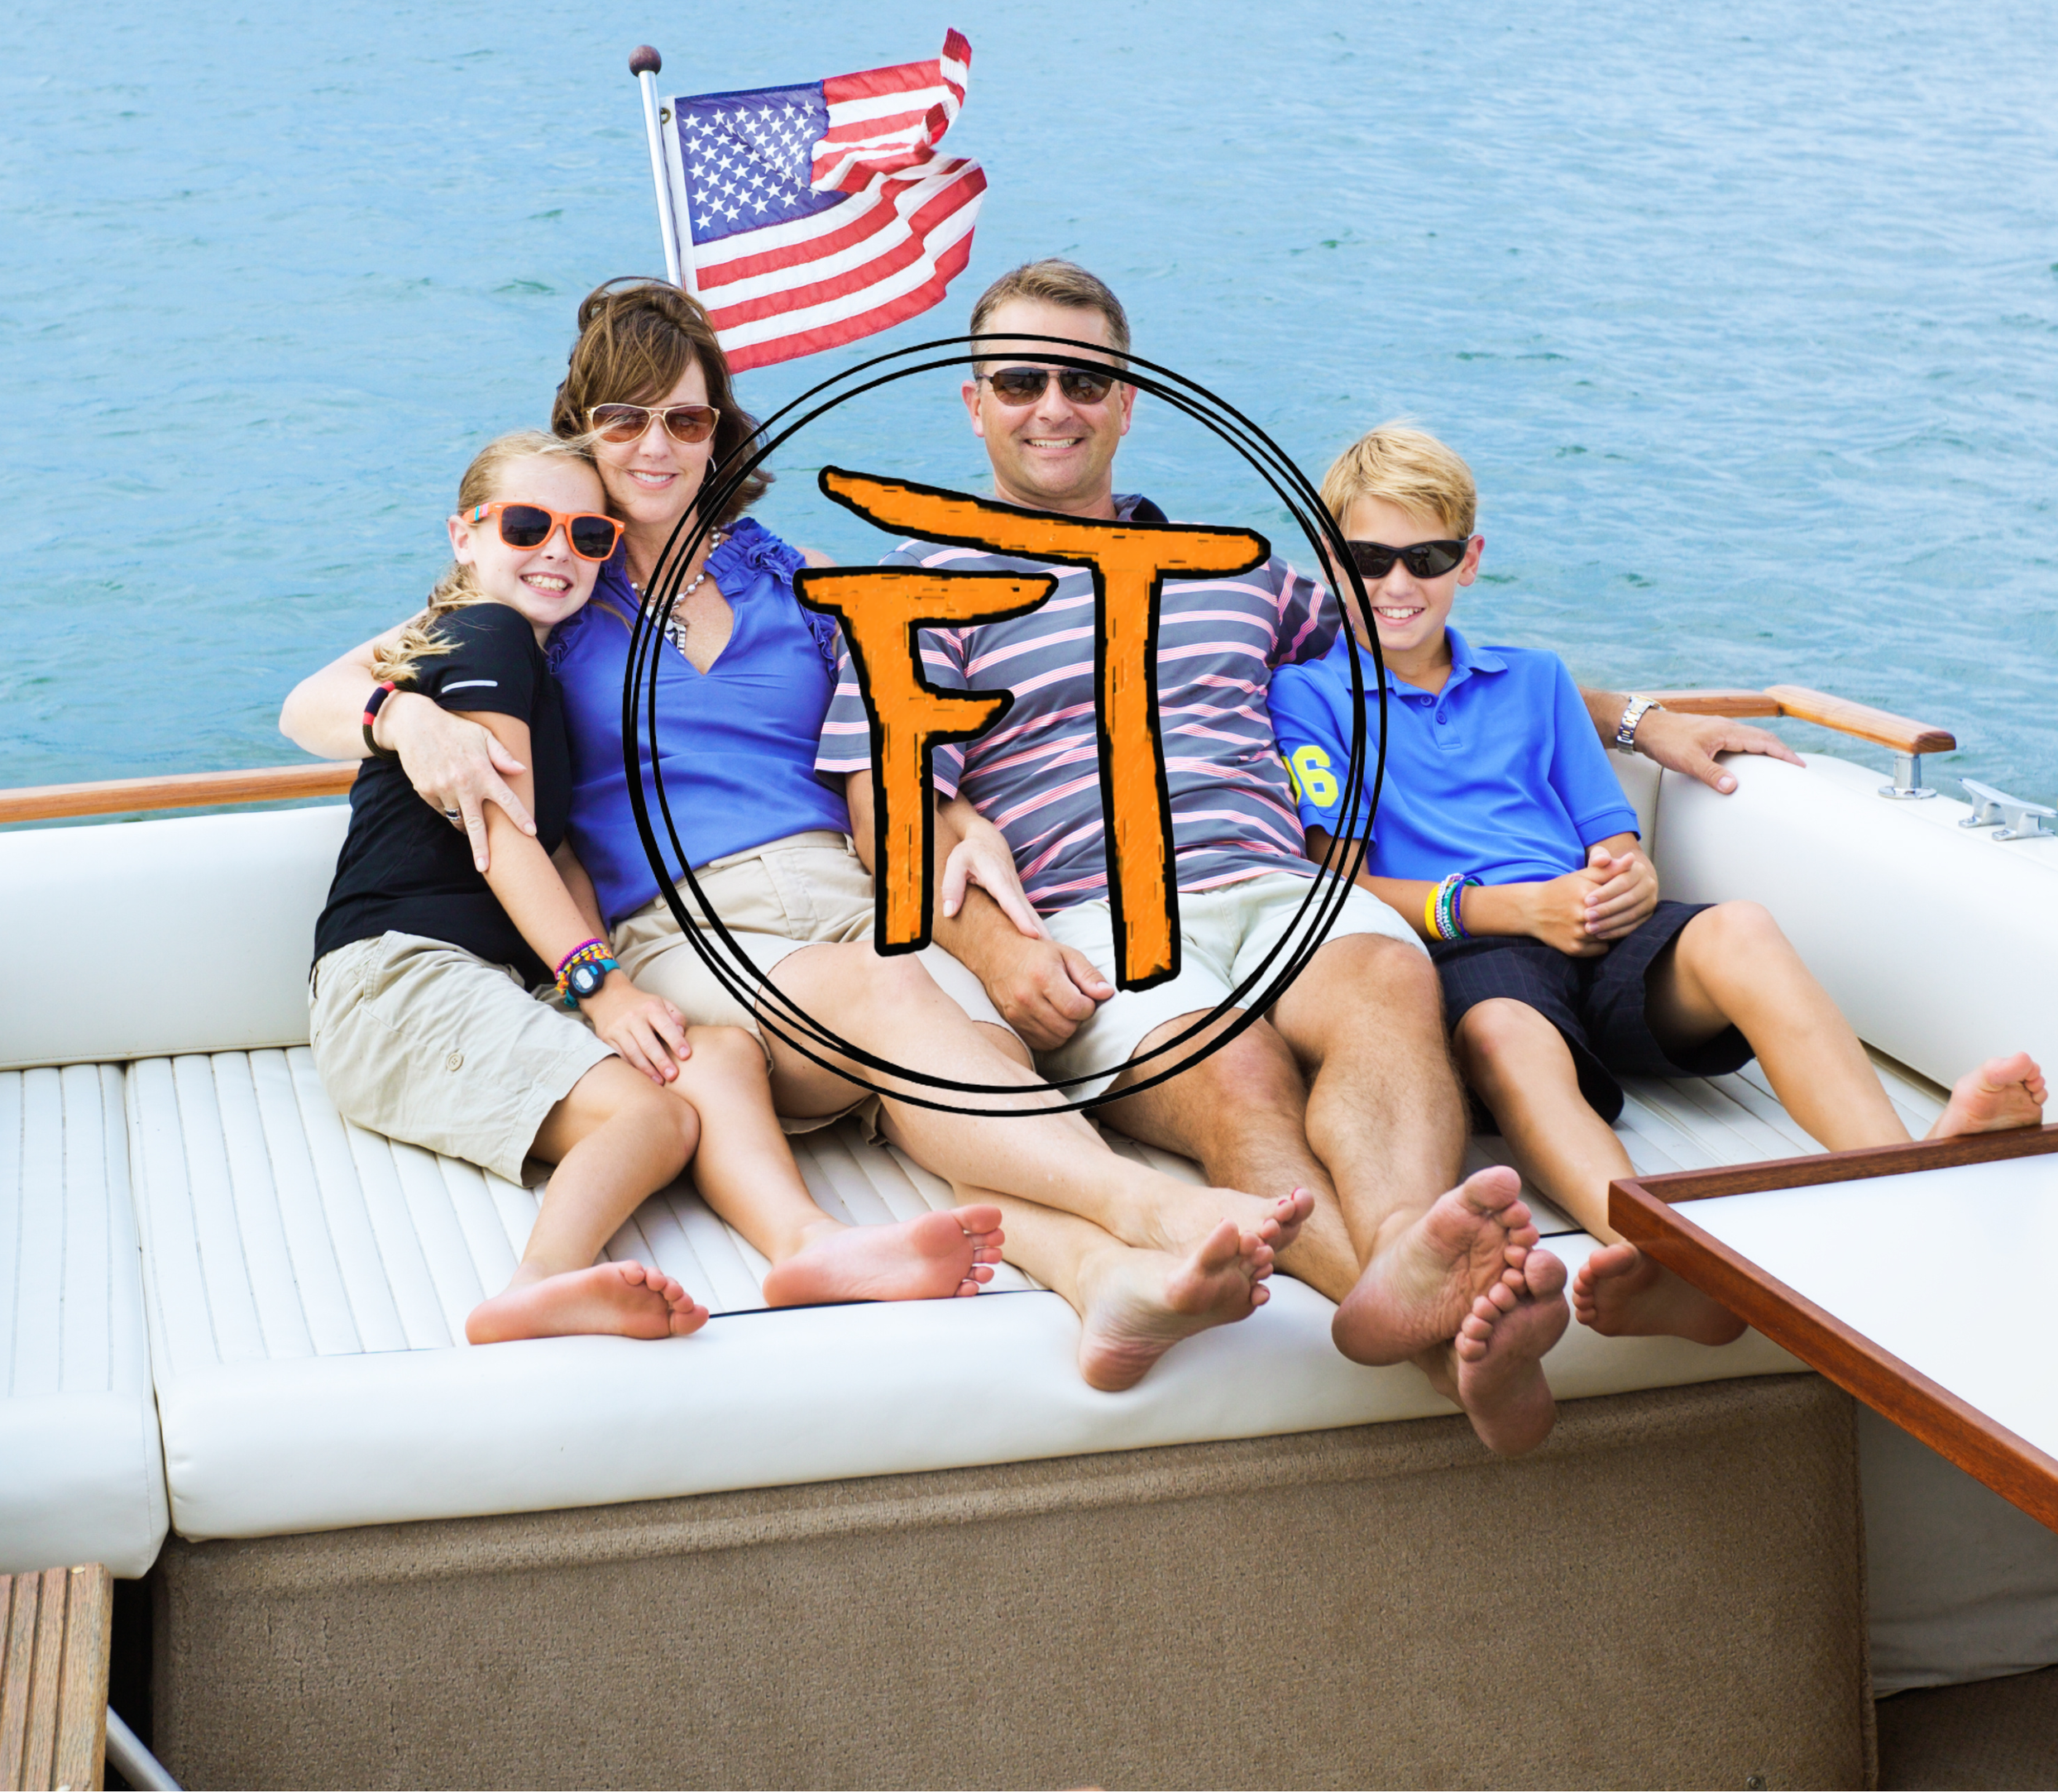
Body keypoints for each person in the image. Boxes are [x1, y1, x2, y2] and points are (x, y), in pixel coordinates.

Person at [816, 258, 1835, 1456]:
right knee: (1239, 1071)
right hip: (1098, 914)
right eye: (1022, 380)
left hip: (1278, 879)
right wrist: (994, 952)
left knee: (1385, 980)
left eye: (1086, 380)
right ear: (974, 402)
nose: (1056, 405)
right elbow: (889, 810)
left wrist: (1636, 720)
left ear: (1128, 401)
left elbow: (1417, 639)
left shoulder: (1236, 569)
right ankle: (1436, 1318)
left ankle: (1418, 1253)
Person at [283, 282, 1310, 1391]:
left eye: (686, 418)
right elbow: (315, 703)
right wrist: (408, 717)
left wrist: (957, 824)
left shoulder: (791, 578)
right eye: (624, 419)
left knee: (972, 1058)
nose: (656, 445)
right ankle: (1148, 1206)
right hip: (685, 923)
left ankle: (1098, 1279)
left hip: (844, 901)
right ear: (584, 429)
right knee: (892, 1004)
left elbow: (889, 757)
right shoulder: (551, 575)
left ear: (720, 432)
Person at [1266, 422, 2051, 1345]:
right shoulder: (1310, 699)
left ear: (1468, 560)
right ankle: (1670, 1253)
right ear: (1329, 557)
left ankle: (1900, 1177)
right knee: (1502, 1031)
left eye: (1427, 556)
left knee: (1741, 928)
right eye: (1369, 557)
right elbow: (1337, 874)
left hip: (1589, 927)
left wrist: (1625, 875)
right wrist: (1510, 908)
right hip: (1468, 945)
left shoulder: (1535, 679)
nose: (1398, 584)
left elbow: (1610, 830)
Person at [305, 428, 1011, 1347]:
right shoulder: (485, 635)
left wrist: (591, 983)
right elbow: (506, 844)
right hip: (401, 979)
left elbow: (557, 851)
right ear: (464, 535)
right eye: (526, 526)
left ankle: (809, 1242)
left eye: (588, 536)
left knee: (706, 1058)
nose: (558, 550)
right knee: (652, 1115)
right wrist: (605, 984)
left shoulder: (532, 667)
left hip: (497, 980)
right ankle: (536, 1285)